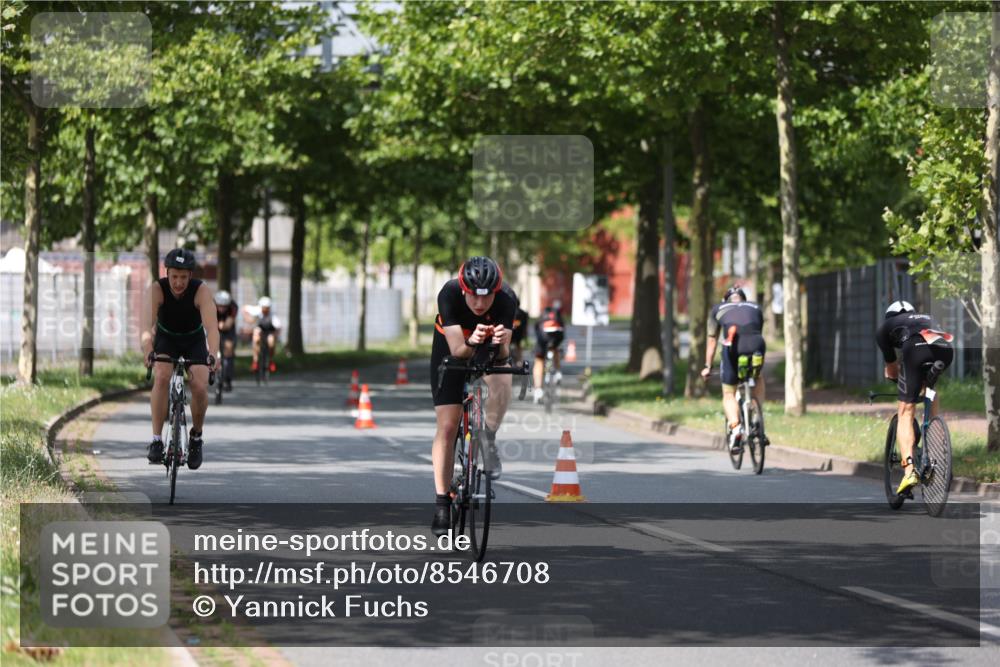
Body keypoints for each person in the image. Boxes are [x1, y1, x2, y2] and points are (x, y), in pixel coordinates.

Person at [429, 256, 517, 536]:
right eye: (474, 298)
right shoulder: (449, 294)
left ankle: (488, 437)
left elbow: (503, 356)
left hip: (486, 347)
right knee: (447, 425)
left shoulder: (507, 300)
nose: (480, 305)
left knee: (503, 380)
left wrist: (500, 343)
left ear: (496, 292)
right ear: (464, 290)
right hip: (452, 347)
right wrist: (472, 339)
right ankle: (442, 501)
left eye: (487, 298)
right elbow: (457, 350)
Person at [140, 248, 220, 470]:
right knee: (162, 375)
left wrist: (213, 353)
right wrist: (148, 350)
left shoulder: (200, 291)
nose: (178, 282)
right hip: (167, 338)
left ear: (190, 276)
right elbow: (145, 329)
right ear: (167, 273)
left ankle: (196, 437)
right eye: (174, 276)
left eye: (183, 277)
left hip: (193, 340)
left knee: (200, 385)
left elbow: (212, 328)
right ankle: (156, 440)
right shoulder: (157, 289)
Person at [876, 300, 954, 495]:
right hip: (945, 350)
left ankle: (909, 471)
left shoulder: (885, 328)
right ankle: (936, 450)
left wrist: (895, 376)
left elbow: (892, 369)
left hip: (915, 350)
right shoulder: (926, 318)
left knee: (905, 411)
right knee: (930, 388)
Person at [700, 285, 767, 453]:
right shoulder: (756, 307)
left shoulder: (718, 309)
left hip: (734, 348)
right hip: (756, 343)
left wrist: (708, 366)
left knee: (729, 393)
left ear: (726, 300)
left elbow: (712, 340)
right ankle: (757, 419)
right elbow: (757, 329)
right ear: (743, 300)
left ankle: (736, 428)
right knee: (758, 377)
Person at [532, 302, 565, 403]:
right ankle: (558, 372)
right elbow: (563, 331)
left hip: (543, 336)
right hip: (557, 335)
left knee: (539, 360)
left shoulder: (542, 317)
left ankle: (538, 390)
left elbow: (536, 330)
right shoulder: (558, 317)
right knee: (555, 349)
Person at [249, 296, 281, 373]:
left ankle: (270, 360)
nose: (265, 309)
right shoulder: (256, 312)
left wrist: (276, 335)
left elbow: (278, 326)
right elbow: (246, 309)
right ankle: (255, 361)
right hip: (260, 331)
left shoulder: (272, 315)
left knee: (271, 341)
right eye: (264, 307)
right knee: (256, 338)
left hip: (269, 332)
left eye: (267, 308)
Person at [214, 290, 238, 391]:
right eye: (219, 306)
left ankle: (228, 378)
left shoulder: (233, 306)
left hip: (228, 328)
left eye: (224, 306)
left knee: (228, 349)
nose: (222, 308)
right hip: (214, 326)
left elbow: (228, 324)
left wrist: (223, 325)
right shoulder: (211, 305)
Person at [511, 299, 529, 364]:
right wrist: (525, 334)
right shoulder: (523, 313)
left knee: (507, 346)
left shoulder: (509, 311)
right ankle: (519, 361)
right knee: (518, 347)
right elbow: (525, 325)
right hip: (519, 333)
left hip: (511, 333)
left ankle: (506, 360)